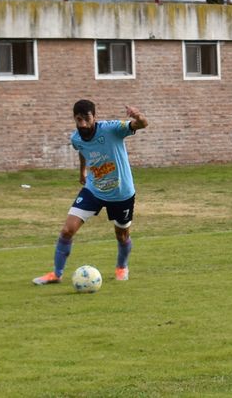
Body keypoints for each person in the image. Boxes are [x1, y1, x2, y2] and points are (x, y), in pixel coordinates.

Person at [33, 100, 149, 285]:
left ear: (95, 116)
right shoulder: (76, 138)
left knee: (122, 235)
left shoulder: (112, 129)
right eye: (79, 120)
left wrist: (138, 116)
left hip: (121, 193)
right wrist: (82, 171)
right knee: (67, 230)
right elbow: (82, 150)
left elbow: (142, 124)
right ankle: (57, 274)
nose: (83, 124)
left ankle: (121, 267)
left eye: (86, 119)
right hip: (93, 190)